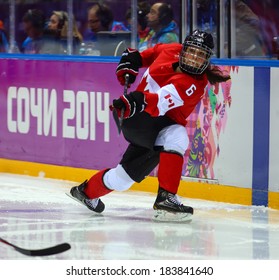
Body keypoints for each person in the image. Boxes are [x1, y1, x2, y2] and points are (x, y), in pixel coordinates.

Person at [68, 29, 230, 222]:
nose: (195, 58)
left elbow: (158, 101)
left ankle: (84, 192)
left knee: (123, 179)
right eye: (192, 51)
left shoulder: (195, 83)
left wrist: (134, 100)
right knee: (178, 134)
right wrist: (132, 60)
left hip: (150, 122)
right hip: (139, 118)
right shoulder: (171, 49)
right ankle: (166, 197)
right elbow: (147, 55)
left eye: (201, 55)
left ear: (207, 60)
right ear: (183, 49)